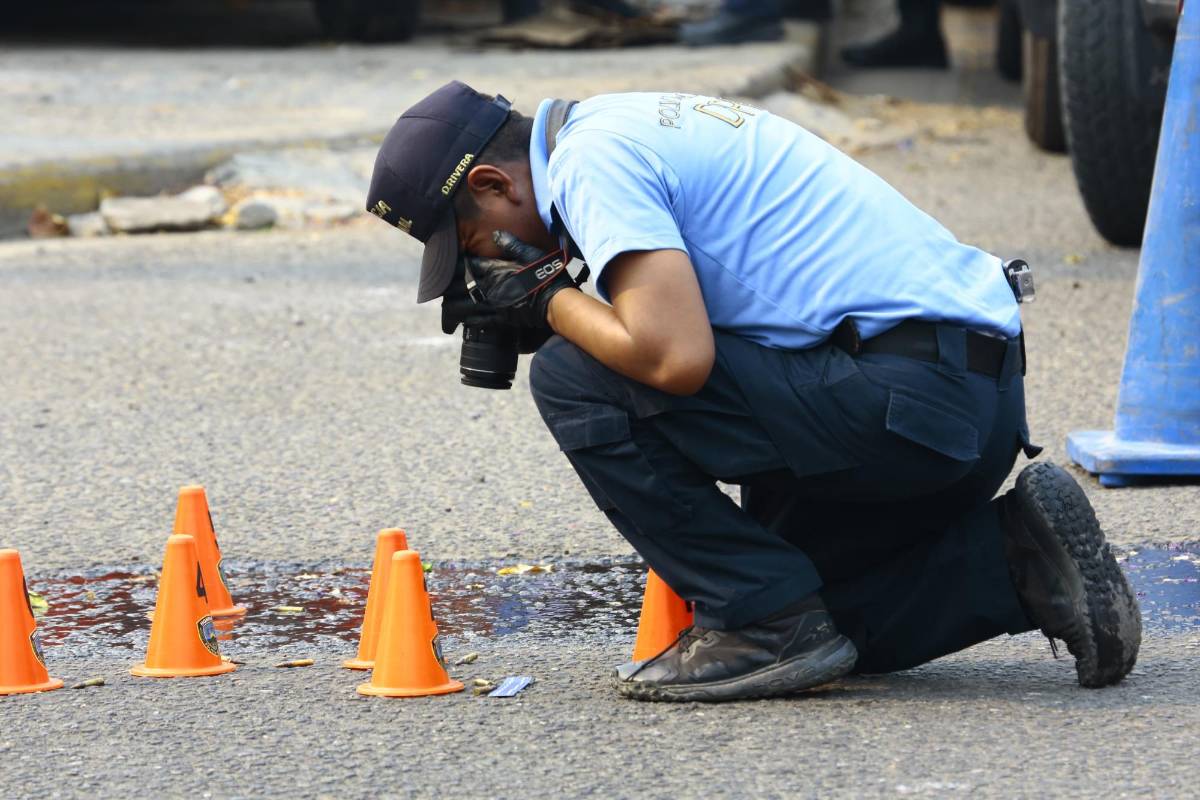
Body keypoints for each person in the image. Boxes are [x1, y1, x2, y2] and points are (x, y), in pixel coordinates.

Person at [364, 81, 1142, 703]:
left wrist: (543, 300)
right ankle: (1018, 558)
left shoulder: (591, 165)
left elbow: (675, 361)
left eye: (474, 248)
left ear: (496, 183)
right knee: (825, 620)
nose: (484, 271)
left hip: (907, 400)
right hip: (962, 402)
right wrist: (555, 288)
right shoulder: (619, 123)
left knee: (577, 377)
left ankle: (763, 619)